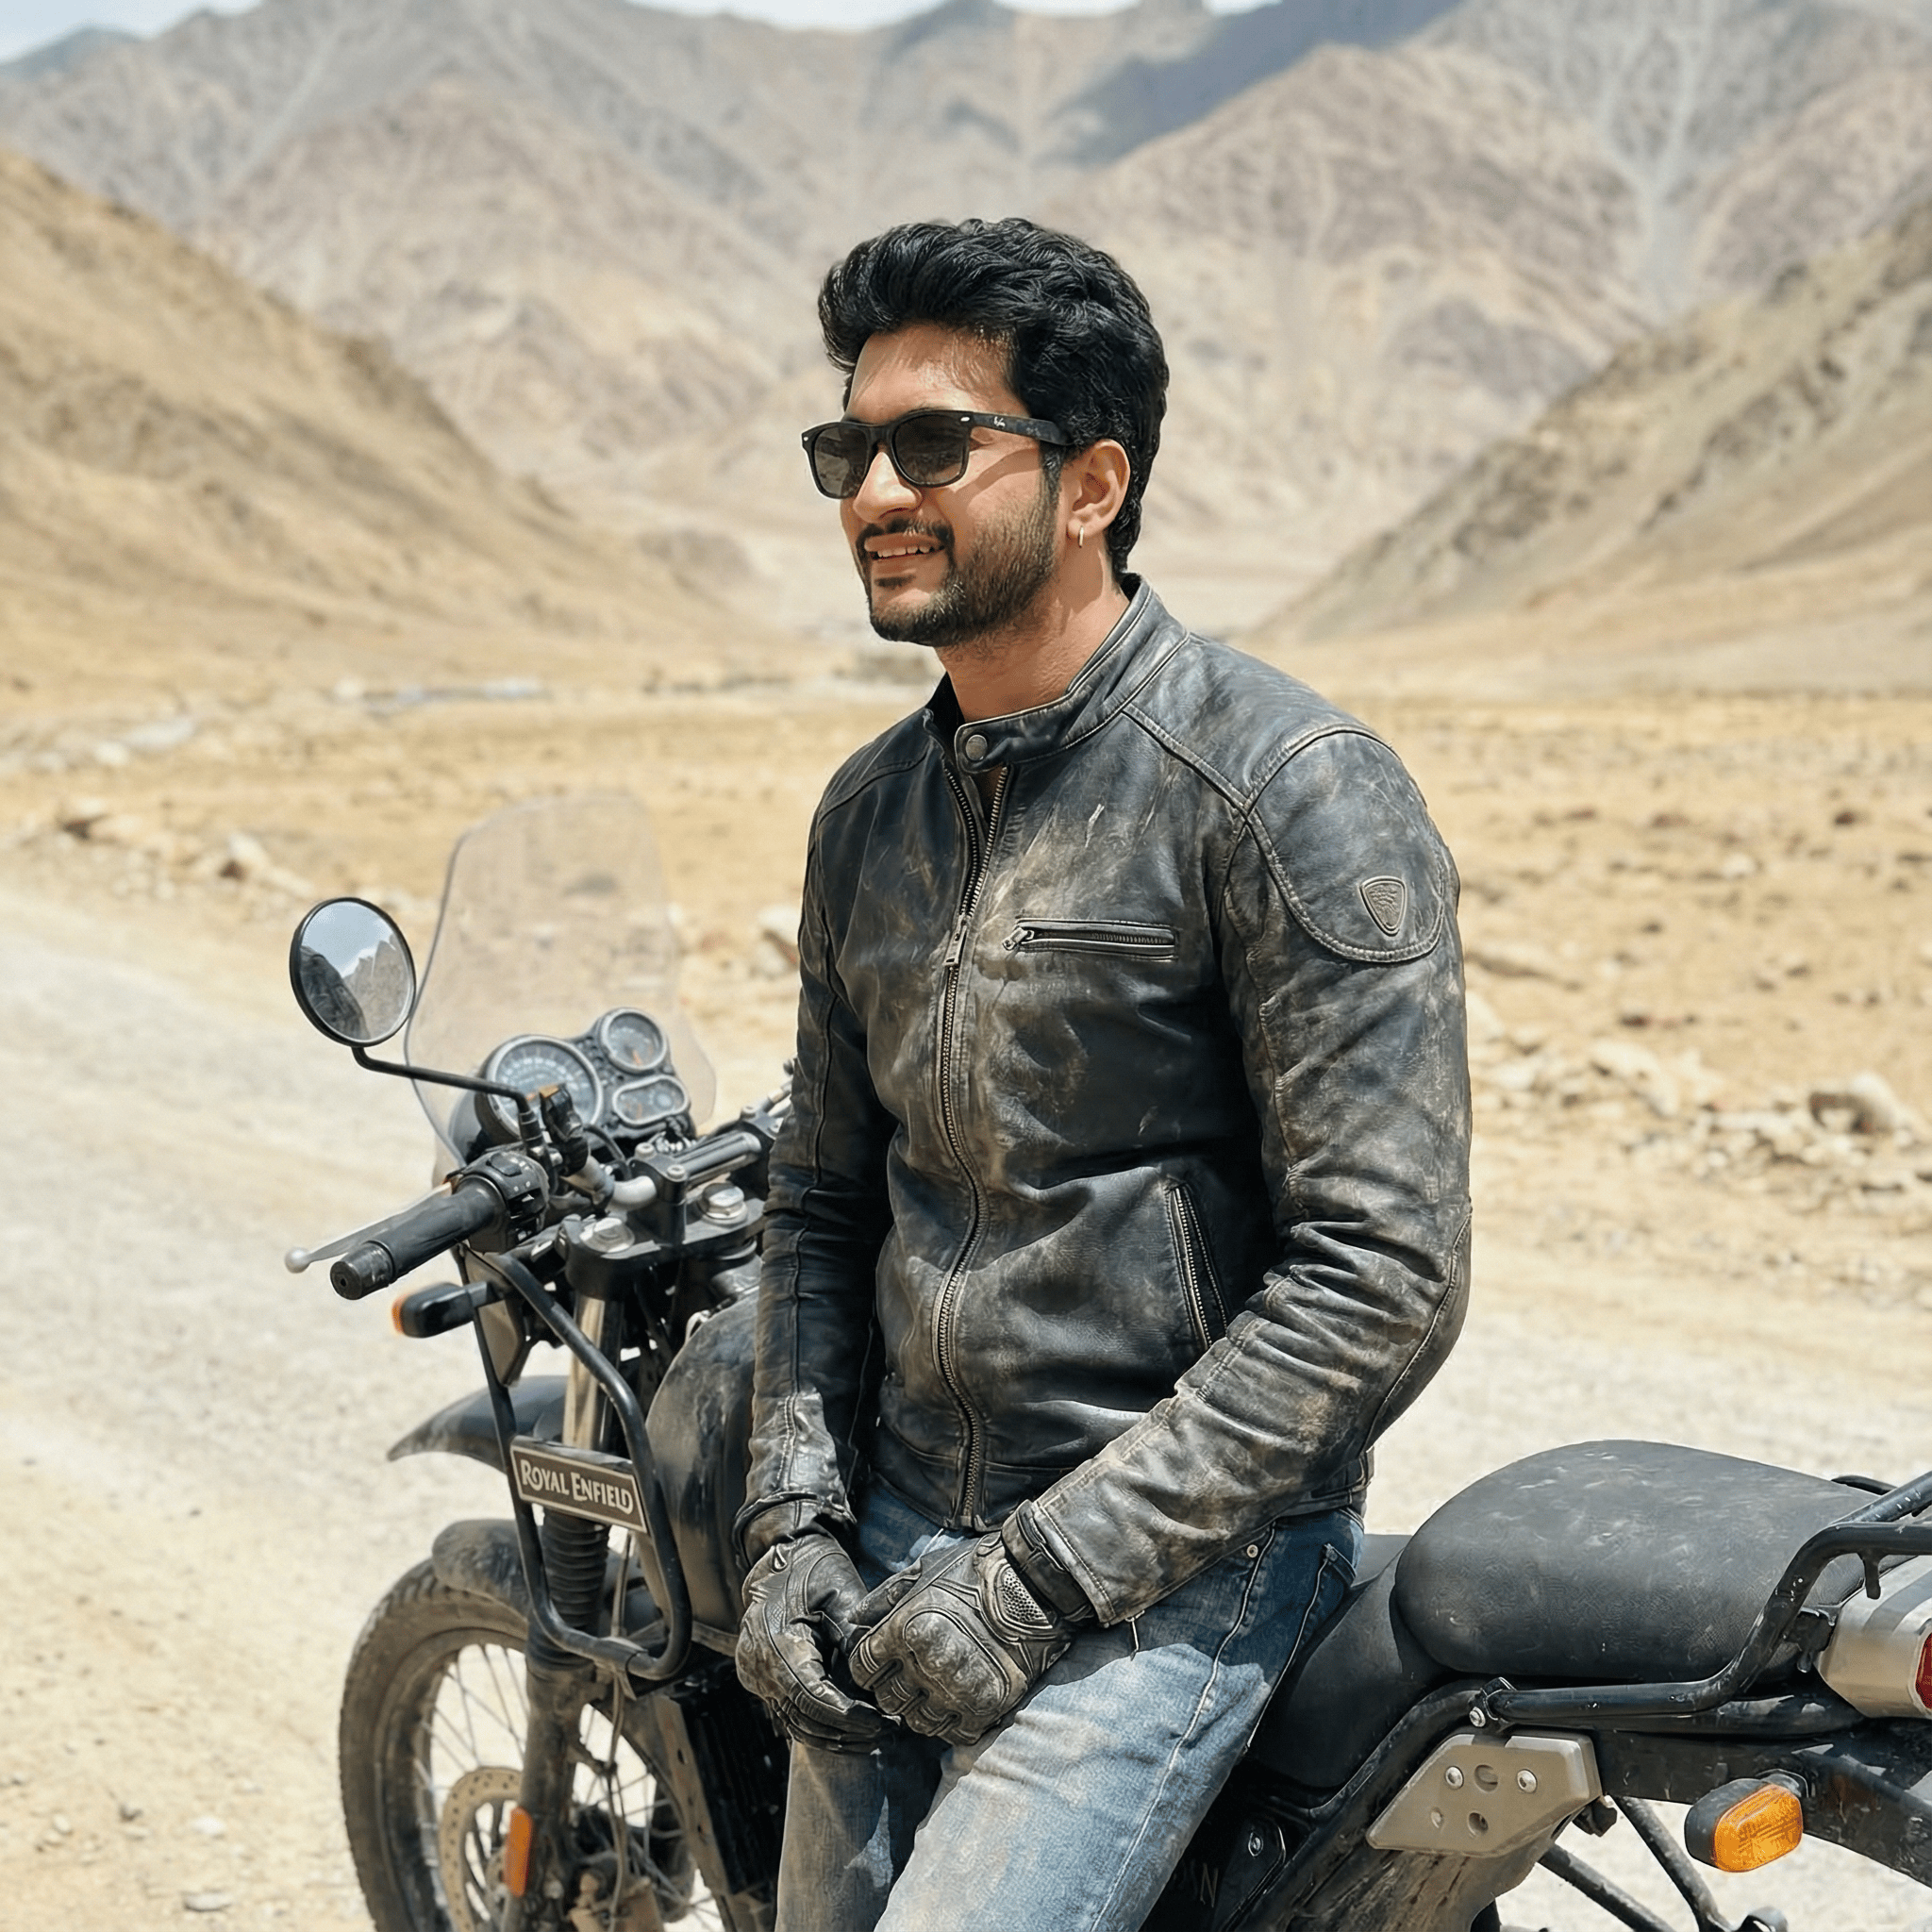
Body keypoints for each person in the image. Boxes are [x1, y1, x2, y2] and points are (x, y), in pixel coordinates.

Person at [732, 216, 1471, 1932]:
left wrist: (1037, 1583)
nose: (871, 493)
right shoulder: (868, 812)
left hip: (1172, 1566)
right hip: (897, 1533)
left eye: (933, 445)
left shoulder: (1285, 789)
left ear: (1090, 484)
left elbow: (1383, 1277)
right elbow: (824, 1200)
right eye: (848, 449)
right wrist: (788, 1524)